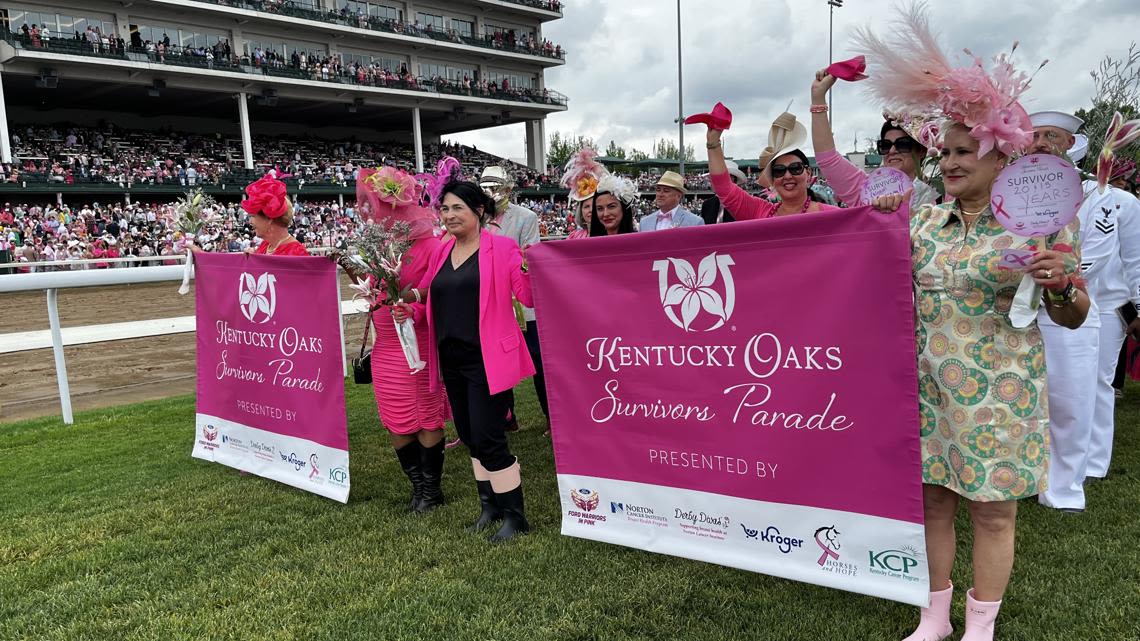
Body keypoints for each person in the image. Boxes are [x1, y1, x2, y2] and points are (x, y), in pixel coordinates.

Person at [857, 9, 1090, 640]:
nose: (950, 165)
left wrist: (1060, 282)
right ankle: (933, 618)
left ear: (999, 157)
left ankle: (980, 627)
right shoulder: (923, 221)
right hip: (929, 391)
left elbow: (1073, 317)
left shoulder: (1039, 223)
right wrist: (876, 217)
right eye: (946, 154)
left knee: (993, 514)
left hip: (1000, 395)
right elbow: (871, 286)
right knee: (933, 503)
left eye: (965, 153)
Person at [395, 180, 534, 543]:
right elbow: (431, 298)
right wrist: (410, 308)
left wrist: (530, 266)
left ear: (479, 212)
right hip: (451, 360)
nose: (449, 215)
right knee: (471, 438)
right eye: (444, 209)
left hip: (488, 360)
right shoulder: (443, 251)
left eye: (457, 208)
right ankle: (489, 506)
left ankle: (515, 515)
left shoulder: (503, 248)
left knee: (489, 439)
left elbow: (528, 295)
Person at [1028, 112, 1140, 498]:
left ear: (1073, 145)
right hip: (1037, 303)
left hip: (1102, 306)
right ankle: (1043, 464)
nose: (1040, 142)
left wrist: (1137, 310)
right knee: (1045, 388)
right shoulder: (1020, 196)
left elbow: (1134, 259)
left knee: (1092, 385)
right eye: (1034, 135)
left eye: (1050, 135)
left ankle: (1091, 462)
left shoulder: (1113, 199)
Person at [351, 165, 449, 513]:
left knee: (426, 417)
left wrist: (414, 309)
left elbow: (437, 291)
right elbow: (372, 290)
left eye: (381, 204)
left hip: (419, 344)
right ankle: (419, 485)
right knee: (396, 421)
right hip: (387, 346)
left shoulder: (430, 246)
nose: (376, 212)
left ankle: (430, 491)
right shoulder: (377, 246)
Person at [810, 70, 941, 208]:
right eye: (885, 145)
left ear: (921, 150)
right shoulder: (867, 191)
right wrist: (818, 98)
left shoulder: (944, 189)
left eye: (902, 144)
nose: (892, 150)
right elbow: (828, 160)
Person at [480, 165, 547, 425]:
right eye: (485, 187)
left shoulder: (525, 217)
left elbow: (531, 255)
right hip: (492, 305)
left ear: (508, 189)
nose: (490, 193)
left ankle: (552, 419)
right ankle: (506, 418)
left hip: (522, 304)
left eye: (495, 187)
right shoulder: (478, 218)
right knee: (496, 363)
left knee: (539, 364)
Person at [704, 111, 840, 218]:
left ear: (808, 173)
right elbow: (725, 190)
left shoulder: (833, 216)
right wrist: (713, 142)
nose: (787, 176)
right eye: (779, 171)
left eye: (795, 168)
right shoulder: (760, 212)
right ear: (773, 180)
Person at [241, 175, 309, 256]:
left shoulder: (296, 253)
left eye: (253, 216)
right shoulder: (265, 245)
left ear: (269, 218)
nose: (250, 222)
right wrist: (252, 260)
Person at [560, 148, 605, 239]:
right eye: (586, 206)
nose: (590, 210)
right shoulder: (574, 237)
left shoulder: (611, 234)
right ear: (580, 211)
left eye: (595, 206)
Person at [638, 171, 702, 231]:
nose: (660, 194)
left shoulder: (695, 222)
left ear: (679, 196)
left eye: (666, 191)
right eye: (658, 190)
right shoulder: (644, 222)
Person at [699, 160, 746, 224]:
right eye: (712, 177)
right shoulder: (707, 205)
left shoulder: (743, 204)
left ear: (732, 180)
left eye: (716, 177)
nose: (711, 181)